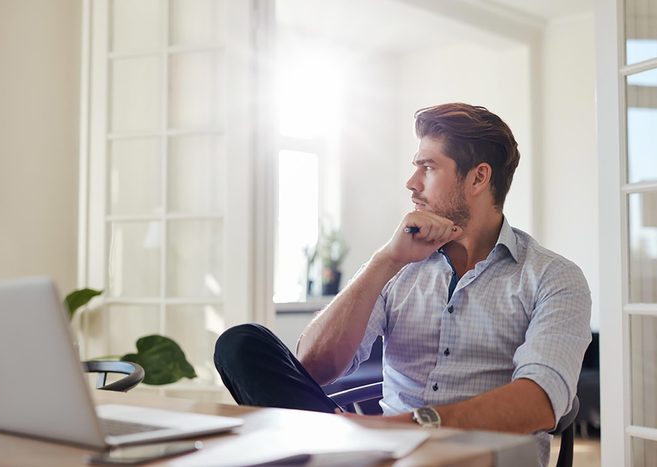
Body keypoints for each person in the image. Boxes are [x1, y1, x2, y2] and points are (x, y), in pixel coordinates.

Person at [214, 102, 591, 467]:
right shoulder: (399, 264)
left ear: (478, 177)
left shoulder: (553, 277)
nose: (412, 184)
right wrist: (385, 261)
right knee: (241, 343)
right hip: (381, 459)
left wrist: (395, 429)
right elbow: (312, 367)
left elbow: (539, 402)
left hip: (476, 461)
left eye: (427, 168)